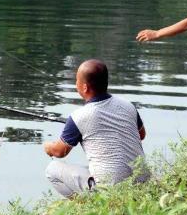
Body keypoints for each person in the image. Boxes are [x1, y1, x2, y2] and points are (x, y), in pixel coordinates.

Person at [43, 59, 147, 198]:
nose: (75, 84)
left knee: (52, 169)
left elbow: (59, 152)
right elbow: (141, 135)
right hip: (144, 184)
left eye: (77, 80)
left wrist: (47, 147)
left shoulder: (78, 116)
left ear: (85, 87)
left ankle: (90, 205)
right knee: (91, 168)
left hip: (111, 192)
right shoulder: (128, 105)